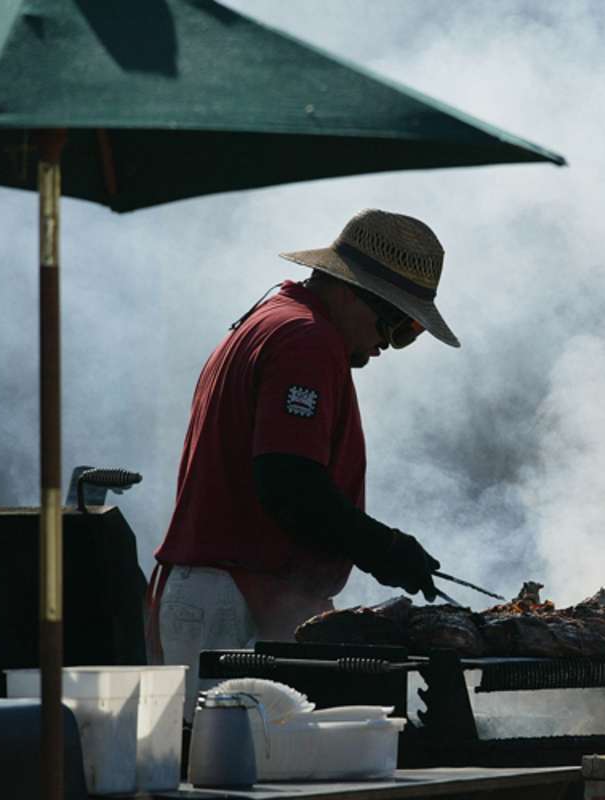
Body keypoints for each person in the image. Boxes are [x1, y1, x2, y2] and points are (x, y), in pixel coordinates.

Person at [147, 208, 459, 717]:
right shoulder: (308, 340)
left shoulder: (273, 323)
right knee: (239, 779)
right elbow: (288, 483)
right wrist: (383, 547)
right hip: (237, 597)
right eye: (396, 323)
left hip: (231, 592)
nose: (390, 343)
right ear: (352, 290)